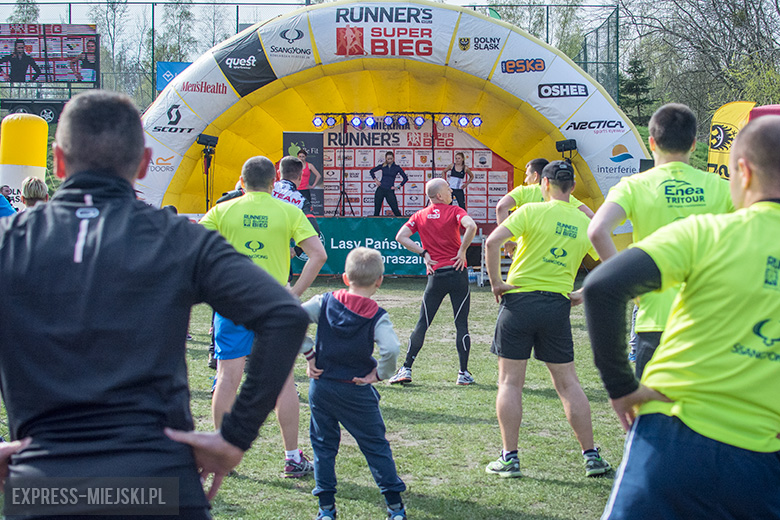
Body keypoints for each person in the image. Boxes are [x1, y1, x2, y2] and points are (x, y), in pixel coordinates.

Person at [0, 90, 309, 517]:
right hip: (158, 481)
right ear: (145, 163)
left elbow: (283, 318)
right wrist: (234, 438)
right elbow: (284, 315)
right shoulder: (177, 238)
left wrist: (234, 435)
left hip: (46, 488)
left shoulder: (10, 241)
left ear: (58, 161)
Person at [582, 114, 780, 520]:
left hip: (672, 432)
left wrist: (620, 387)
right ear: (693, 144)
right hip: (762, 457)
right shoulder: (714, 204)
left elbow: (602, 285)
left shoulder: (704, 233)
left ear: (743, 172)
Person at [200, 156, 327, 478]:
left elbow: (193, 250)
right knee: (282, 381)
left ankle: (222, 453)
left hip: (232, 301)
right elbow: (318, 255)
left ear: (242, 182)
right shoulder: (289, 210)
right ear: (274, 183)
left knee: (227, 377)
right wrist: (293, 293)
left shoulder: (222, 210)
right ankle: (292, 458)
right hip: (274, 304)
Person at [483, 160, 611, 478]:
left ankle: (509, 458)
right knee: (568, 384)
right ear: (572, 188)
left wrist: (497, 283)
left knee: (510, 382)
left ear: (545, 184)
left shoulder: (530, 211)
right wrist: (584, 292)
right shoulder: (585, 221)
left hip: (518, 302)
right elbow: (613, 263)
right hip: (557, 306)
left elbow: (492, 241)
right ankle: (591, 457)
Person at [588, 103, 734, 378]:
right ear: (693, 144)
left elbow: (597, 230)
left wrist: (627, 283)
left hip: (655, 319)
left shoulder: (633, 186)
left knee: (653, 404)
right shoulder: (721, 187)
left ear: (652, 143)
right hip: (709, 321)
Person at [302, 247, 407, 520]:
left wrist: (309, 354)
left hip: (322, 387)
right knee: (375, 446)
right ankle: (395, 507)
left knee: (323, 446)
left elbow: (293, 318)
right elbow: (391, 348)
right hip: (357, 389)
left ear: (345, 278)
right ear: (379, 280)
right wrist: (380, 374)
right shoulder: (377, 315)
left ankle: (326, 509)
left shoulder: (324, 301)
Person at [390, 178, 478, 385]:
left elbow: (400, 237)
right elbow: (471, 226)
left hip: (436, 275)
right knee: (461, 324)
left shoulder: (419, 215)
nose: (451, 192)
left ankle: (406, 368)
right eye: (448, 189)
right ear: (439, 195)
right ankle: (463, 373)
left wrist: (423, 253)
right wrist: (462, 251)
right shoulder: (455, 211)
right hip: (457, 273)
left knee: (423, 322)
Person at [496, 158, 594, 256]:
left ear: (535, 176)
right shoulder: (565, 196)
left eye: (527, 175)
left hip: (526, 256)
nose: (525, 180)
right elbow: (591, 217)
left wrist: (507, 240)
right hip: (558, 256)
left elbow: (501, 207)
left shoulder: (523, 192)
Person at [371, 151, 408, 216]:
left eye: (391, 159)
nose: (389, 160)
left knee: (396, 211)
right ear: (386, 159)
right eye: (388, 159)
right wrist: (376, 180)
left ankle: (401, 222)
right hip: (381, 189)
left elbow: (405, 178)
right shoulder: (383, 166)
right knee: (376, 212)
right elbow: (371, 171)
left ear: (393, 158)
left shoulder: (397, 167)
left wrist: (398, 187)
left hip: (390, 190)